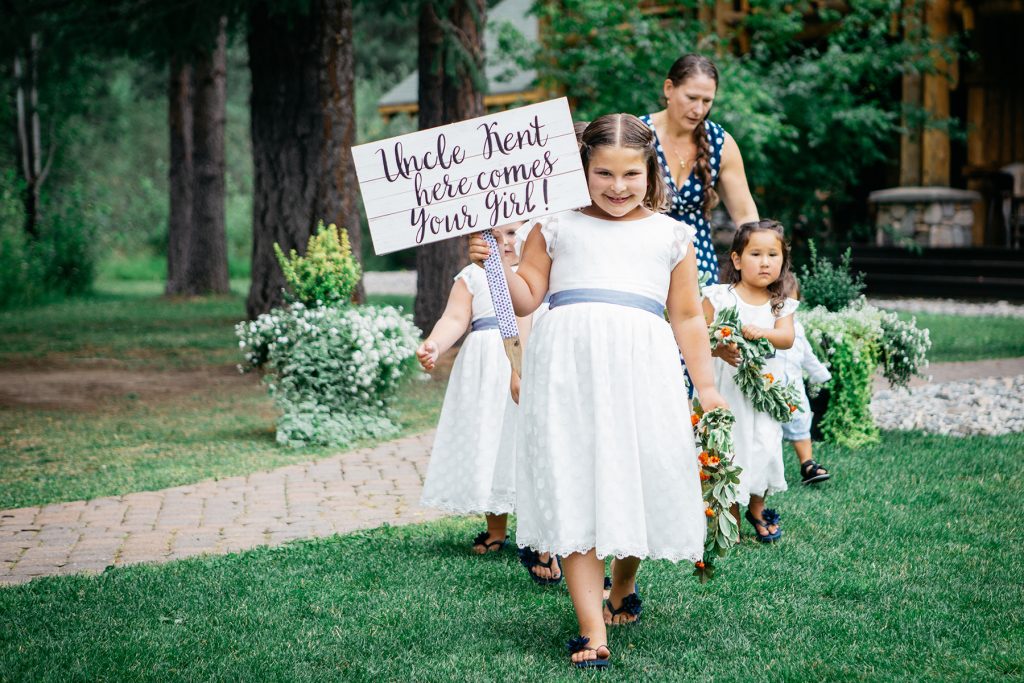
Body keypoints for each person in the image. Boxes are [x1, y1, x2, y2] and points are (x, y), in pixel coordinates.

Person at [469, 114, 725, 669]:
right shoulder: (554, 225)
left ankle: (622, 585)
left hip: (642, 370)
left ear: (649, 170)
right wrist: (498, 263)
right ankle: (592, 632)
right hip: (566, 372)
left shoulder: (670, 235)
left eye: (630, 173)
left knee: (637, 478)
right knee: (573, 486)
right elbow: (525, 298)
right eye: (602, 172)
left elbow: (685, 315)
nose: (616, 186)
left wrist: (705, 387)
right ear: (581, 169)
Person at [417, 222, 525, 554]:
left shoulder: (537, 273)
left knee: (525, 441)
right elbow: (455, 318)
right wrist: (435, 343)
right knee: (490, 442)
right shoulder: (472, 275)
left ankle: (541, 532)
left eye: (512, 234)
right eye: (494, 236)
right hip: (485, 366)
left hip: (525, 356)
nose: (504, 242)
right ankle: (496, 528)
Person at [702, 219, 797, 542]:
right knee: (729, 450)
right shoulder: (719, 297)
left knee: (765, 448)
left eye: (773, 255)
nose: (766, 261)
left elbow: (786, 338)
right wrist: (719, 348)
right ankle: (730, 516)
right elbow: (699, 337)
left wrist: (764, 331)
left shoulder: (779, 303)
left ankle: (757, 507)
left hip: (763, 393)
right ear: (737, 259)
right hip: (727, 391)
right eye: (756, 254)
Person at [639, 54, 759, 285]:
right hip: (643, 259)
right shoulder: (637, 135)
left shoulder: (720, 143)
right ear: (669, 89)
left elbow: (746, 217)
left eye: (707, 101)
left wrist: (757, 262)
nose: (698, 109)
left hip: (699, 265)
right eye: (691, 97)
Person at [777, 279, 832, 485]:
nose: (786, 310)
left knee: (800, 423)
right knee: (766, 429)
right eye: (781, 303)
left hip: (794, 389)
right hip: (767, 389)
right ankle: (765, 466)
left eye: (791, 304)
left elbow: (807, 355)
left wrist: (822, 375)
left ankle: (808, 464)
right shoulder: (762, 327)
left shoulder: (797, 328)